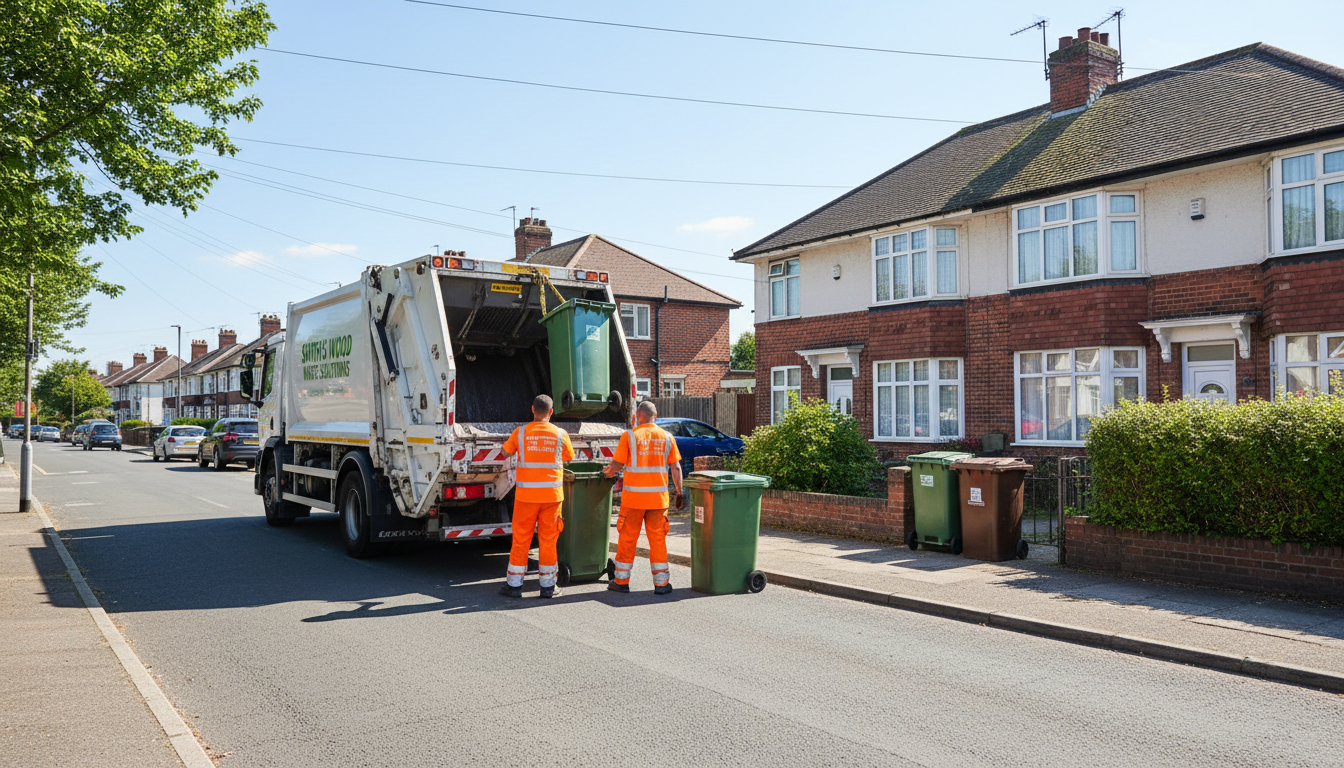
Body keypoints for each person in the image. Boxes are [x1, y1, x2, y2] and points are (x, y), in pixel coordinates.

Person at [603, 400, 683, 595]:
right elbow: (676, 467)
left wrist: (604, 473)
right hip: (657, 501)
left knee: (628, 539)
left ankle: (621, 582)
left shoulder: (629, 436)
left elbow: (616, 466)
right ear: (655, 415)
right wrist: (680, 492)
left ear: (638, 416)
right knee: (657, 541)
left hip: (634, 501)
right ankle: (662, 584)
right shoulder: (667, 437)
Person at [499, 394, 575, 599]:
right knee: (548, 541)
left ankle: (514, 586)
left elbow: (505, 453)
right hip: (552, 497)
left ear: (532, 410)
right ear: (551, 412)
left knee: (521, 539)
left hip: (526, 497)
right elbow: (569, 456)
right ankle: (548, 587)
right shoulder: (560, 434)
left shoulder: (520, 432)